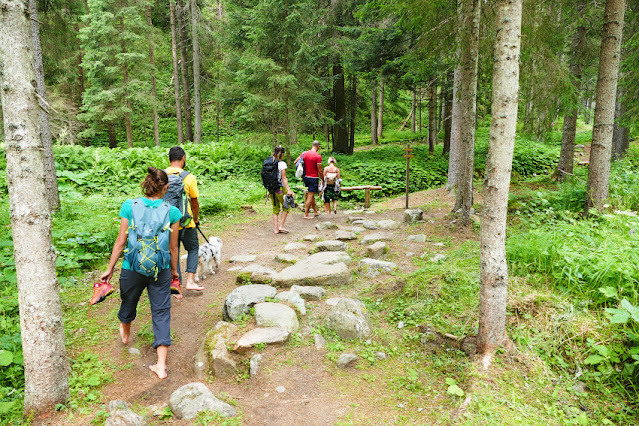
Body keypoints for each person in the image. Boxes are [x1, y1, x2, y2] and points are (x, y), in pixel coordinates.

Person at [100, 167, 181, 379]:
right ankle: (161, 365)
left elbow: (121, 241)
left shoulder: (130, 206)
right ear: (165, 187)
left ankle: (125, 333)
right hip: (160, 269)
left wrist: (110, 269)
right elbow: (173, 248)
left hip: (131, 267)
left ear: (147, 184)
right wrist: (174, 272)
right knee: (161, 312)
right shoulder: (172, 212)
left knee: (128, 301)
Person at [166, 146, 204, 292]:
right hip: (186, 222)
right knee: (193, 249)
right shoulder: (189, 177)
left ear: (169, 160)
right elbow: (194, 202)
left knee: (172, 250)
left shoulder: (160, 176)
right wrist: (195, 219)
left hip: (167, 224)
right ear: (183, 158)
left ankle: (176, 284)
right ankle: (190, 281)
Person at [268, 145, 294, 234]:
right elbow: (284, 178)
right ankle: (281, 226)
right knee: (286, 206)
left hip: (271, 189)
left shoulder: (270, 162)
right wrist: (289, 190)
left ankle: (276, 229)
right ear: (282, 154)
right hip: (280, 189)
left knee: (275, 208)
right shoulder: (282, 164)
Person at [294, 140, 323, 219]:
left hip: (305, 177)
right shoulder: (318, 156)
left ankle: (315, 211)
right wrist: (323, 179)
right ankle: (306, 214)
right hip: (313, 178)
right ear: (318, 146)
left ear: (312, 145)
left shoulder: (304, 153)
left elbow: (295, 162)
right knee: (310, 195)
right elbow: (320, 170)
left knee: (311, 193)